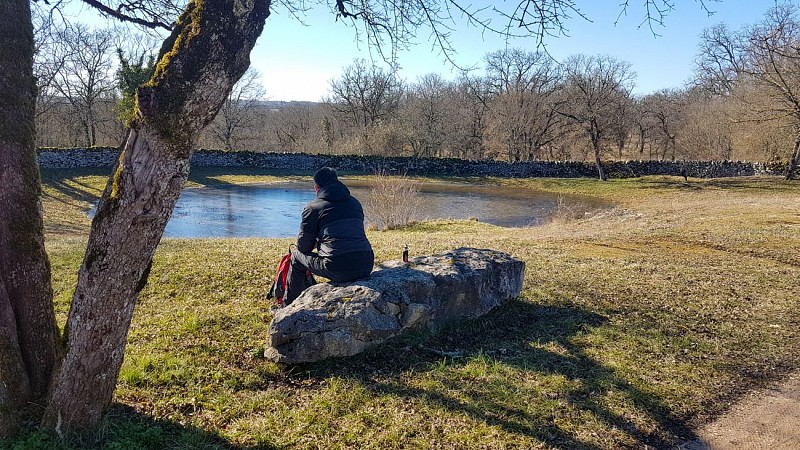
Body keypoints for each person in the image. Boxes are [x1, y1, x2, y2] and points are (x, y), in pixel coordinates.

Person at [284, 167, 374, 305]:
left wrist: (317, 241)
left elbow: (303, 247)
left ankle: (288, 305)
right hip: (366, 264)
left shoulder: (313, 207)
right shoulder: (355, 202)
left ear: (316, 187)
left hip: (337, 267)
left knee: (296, 257)